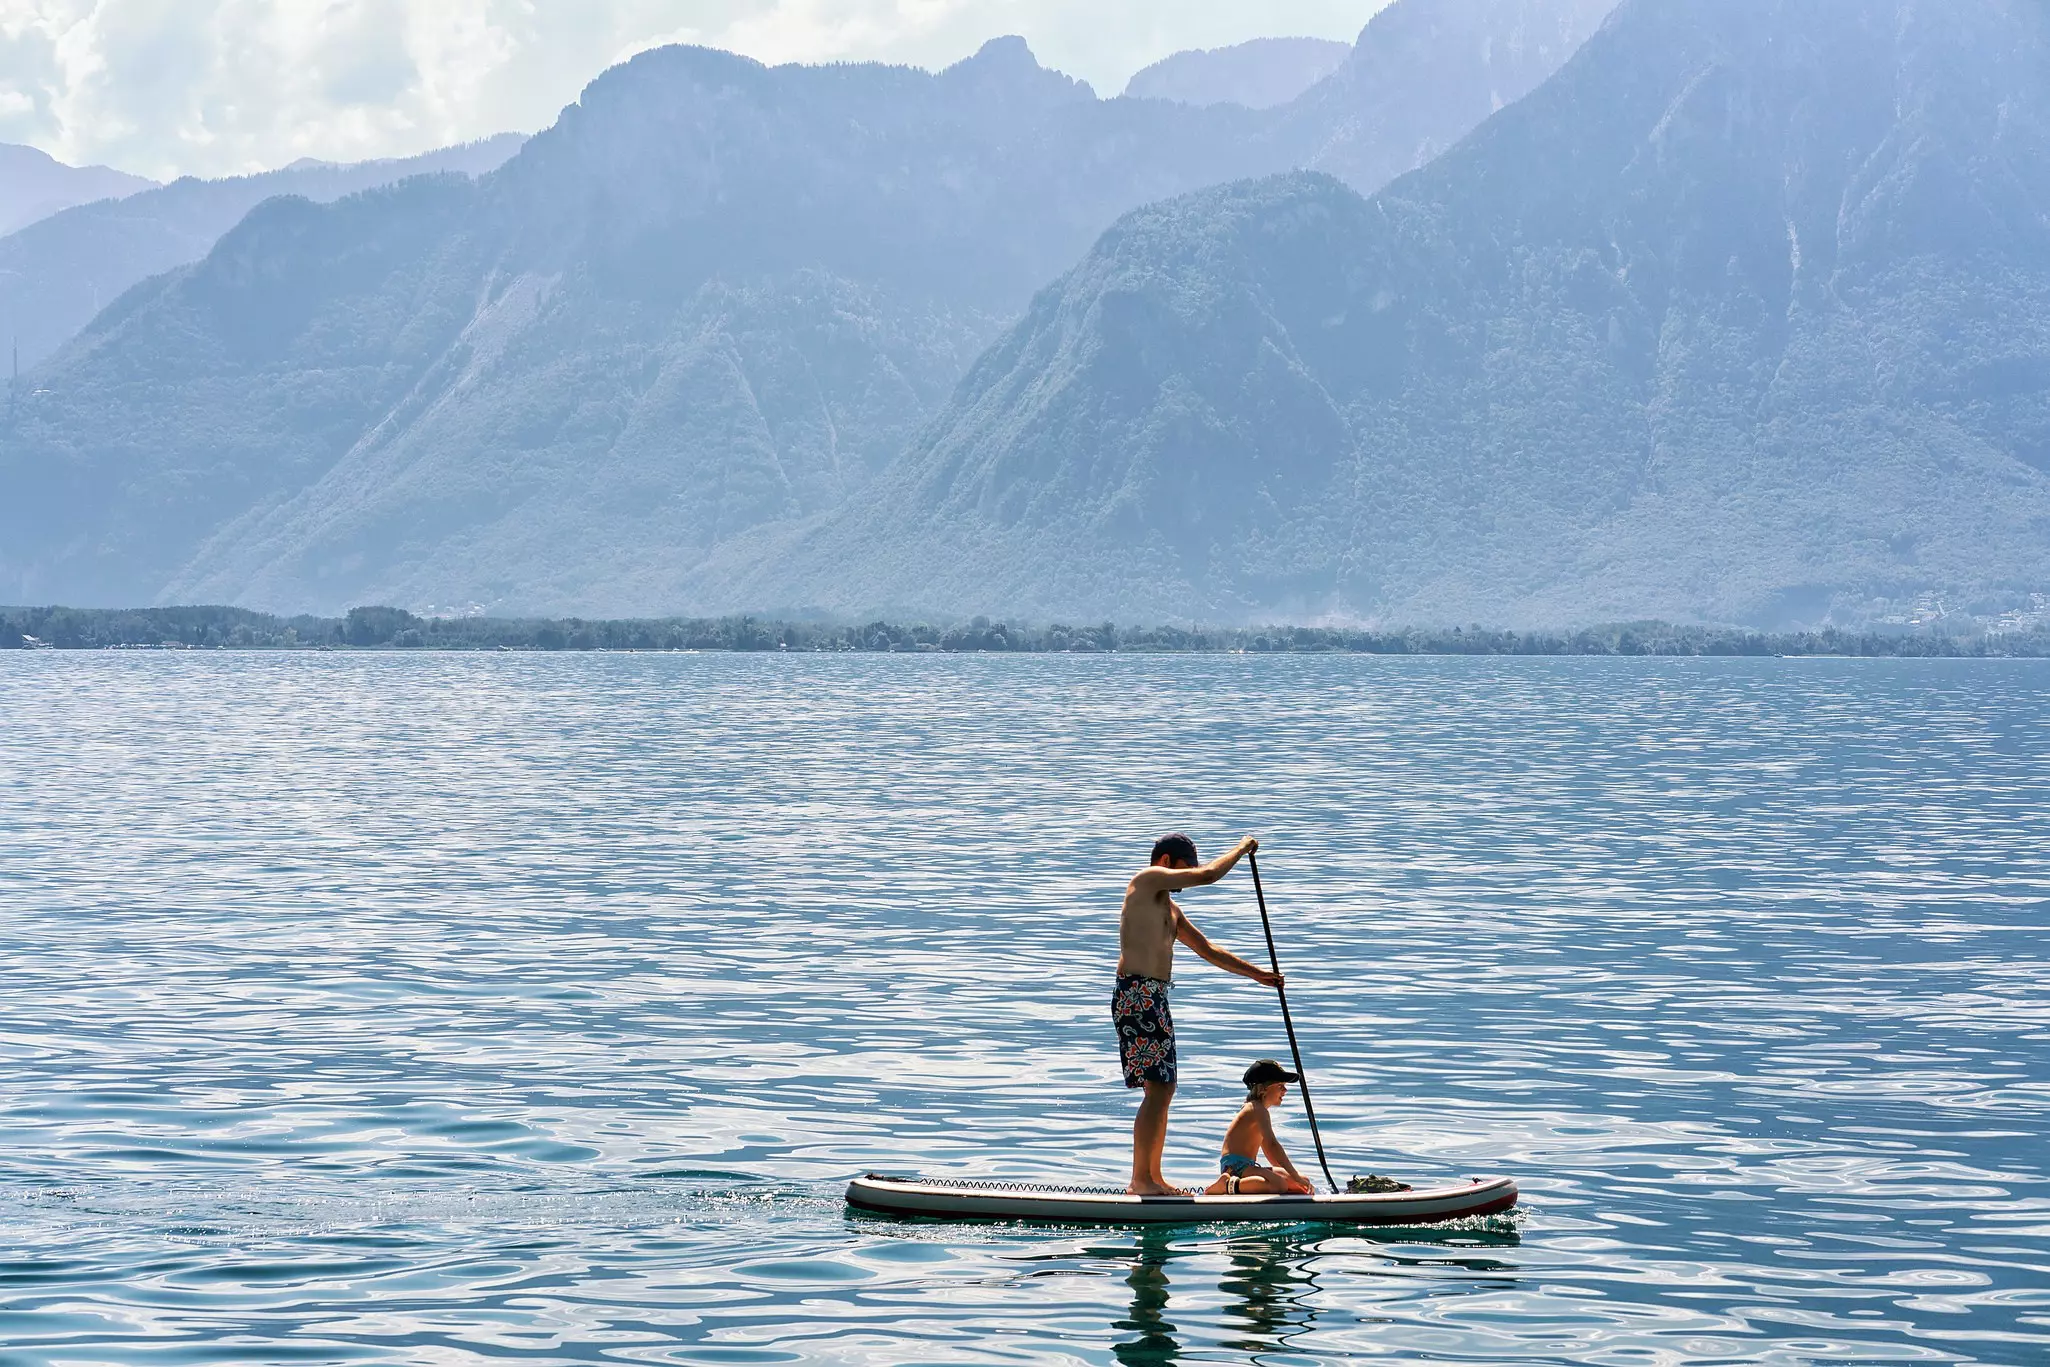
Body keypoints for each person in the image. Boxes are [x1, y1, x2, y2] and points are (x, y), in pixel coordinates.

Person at [1115, 832, 1281, 1196]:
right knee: (1156, 1090)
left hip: (1154, 996)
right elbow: (1208, 875)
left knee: (1164, 1088)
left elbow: (1207, 950)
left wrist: (1257, 974)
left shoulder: (1170, 910)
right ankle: (1140, 1180)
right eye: (1183, 869)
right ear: (1166, 861)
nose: (1186, 878)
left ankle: (1152, 1179)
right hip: (1138, 994)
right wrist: (1241, 846)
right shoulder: (1146, 880)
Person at [1205, 1059, 1315, 1195]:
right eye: (1280, 1086)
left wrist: (1293, 1178)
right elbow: (1273, 1144)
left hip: (1247, 1165)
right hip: (1234, 1167)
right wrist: (1292, 1176)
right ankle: (1225, 1185)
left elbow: (1268, 1150)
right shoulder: (1257, 1109)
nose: (1285, 1090)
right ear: (1264, 1089)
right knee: (1279, 1185)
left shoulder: (1259, 1110)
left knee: (1301, 1185)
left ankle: (1249, 1186)